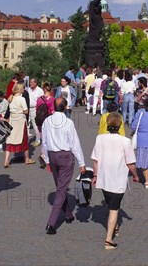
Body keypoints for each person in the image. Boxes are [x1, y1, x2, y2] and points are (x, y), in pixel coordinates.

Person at [91, 112, 140, 250]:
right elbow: (131, 163)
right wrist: (135, 176)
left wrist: (95, 176)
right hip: (118, 179)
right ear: (120, 125)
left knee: (111, 204)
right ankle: (108, 240)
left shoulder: (100, 138)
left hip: (104, 178)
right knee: (114, 208)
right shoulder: (125, 141)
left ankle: (115, 227)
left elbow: (95, 160)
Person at [41, 97, 86, 234]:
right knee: (61, 189)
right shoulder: (68, 122)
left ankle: (67, 214)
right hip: (65, 156)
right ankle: (51, 223)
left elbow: (45, 141)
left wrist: (47, 159)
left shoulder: (47, 121)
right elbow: (74, 143)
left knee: (60, 186)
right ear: (65, 107)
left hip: (52, 155)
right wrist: (82, 162)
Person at [4, 83, 34, 167]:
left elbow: (9, 110)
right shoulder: (22, 99)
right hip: (20, 120)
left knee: (10, 140)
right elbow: (26, 110)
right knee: (24, 139)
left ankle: (6, 160)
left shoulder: (11, 98)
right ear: (21, 89)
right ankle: (27, 158)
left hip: (13, 120)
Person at [27, 78, 44, 147]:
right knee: (26, 125)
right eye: (30, 82)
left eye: (31, 82)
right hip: (28, 109)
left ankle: (38, 140)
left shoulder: (39, 91)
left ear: (35, 83)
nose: (30, 83)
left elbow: (42, 101)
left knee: (35, 125)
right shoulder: (28, 90)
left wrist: (39, 111)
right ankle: (25, 141)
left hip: (35, 109)